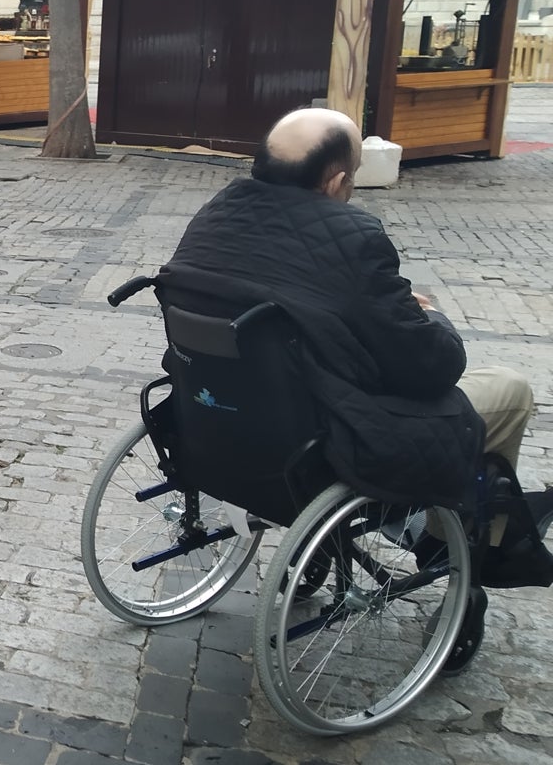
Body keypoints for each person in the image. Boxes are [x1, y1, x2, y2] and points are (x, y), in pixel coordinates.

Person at [155, 107, 538, 673]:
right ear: (336, 181)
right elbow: (430, 368)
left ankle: (329, 546)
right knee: (510, 391)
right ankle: (455, 548)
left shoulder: (215, 213)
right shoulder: (354, 236)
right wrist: (430, 319)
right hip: (330, 435)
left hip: (219, 420)